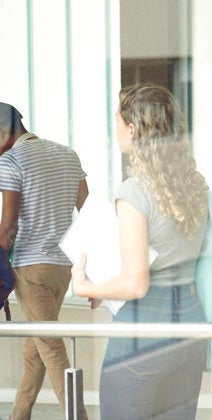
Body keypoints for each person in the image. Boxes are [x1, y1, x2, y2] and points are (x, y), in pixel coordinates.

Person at [72, 84, 210, 419]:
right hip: (192, 322)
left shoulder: (134, 192)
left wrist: (87, 287)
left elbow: (136, 283)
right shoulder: (196, 185)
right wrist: (108, 288)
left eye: (117, 120)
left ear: (132, 129)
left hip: (144, 327)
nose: (115, 127)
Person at [0, 103, 89, 420]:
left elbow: (8, 228)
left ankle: (78, 416)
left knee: (50, 347)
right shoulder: (68, 154)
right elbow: (88, 213)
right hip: (62, 269)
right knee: (36, 349)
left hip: (32, 270)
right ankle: (18, 415)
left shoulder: (11, 161)